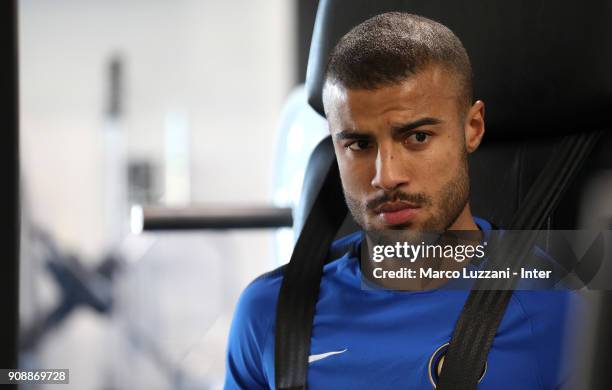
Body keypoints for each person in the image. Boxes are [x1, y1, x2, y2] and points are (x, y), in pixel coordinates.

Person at [225, 12, 572, 389]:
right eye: (359, 144)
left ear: (472, 128)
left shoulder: (562, 307)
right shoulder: (271, 311)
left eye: (417, 137)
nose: (385, 176)